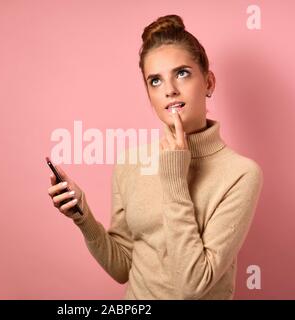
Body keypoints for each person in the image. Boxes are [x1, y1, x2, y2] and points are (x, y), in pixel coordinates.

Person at [47, 14, 263, 299]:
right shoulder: (130, 163)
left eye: (182, 73)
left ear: (209, 83)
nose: (170, 90)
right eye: (156, 81)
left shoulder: (241, 174)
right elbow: (123, 267)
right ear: (148, 93)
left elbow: (192, 285)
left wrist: (174, 175)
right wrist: (83, 217)